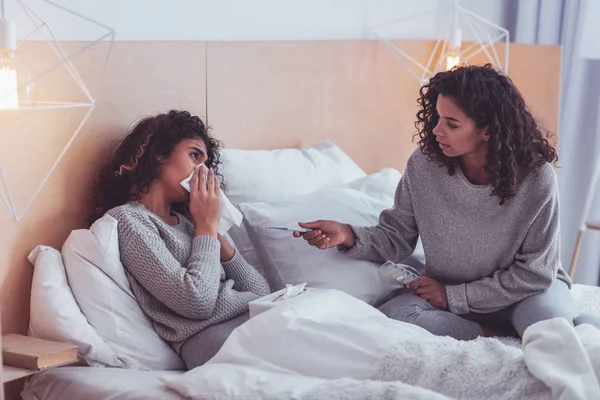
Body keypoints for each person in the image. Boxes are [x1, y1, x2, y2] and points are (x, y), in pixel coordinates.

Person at [296, 64, 600, 339]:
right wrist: (347, 234)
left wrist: (454, 296)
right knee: (398, 314)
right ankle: (501, 334)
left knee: (554, 337)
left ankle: (564, 327)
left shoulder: (536, 177)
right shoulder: (423, 166)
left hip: (525, 293)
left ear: (488, 130)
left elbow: (535, 273)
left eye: (452, 124)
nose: (437, 130)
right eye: (437, 118)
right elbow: (397, 237)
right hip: (452, 297)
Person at [92, 110, 271, 369]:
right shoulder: (129, 221)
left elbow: (262, 294)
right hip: (214, 339)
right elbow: (196, 302)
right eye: (194, 155)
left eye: (206, 163)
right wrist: (207, 229)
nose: (203, 171)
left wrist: (218, 238)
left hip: (253, 322)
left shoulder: (191, 223)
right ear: (159, 154)